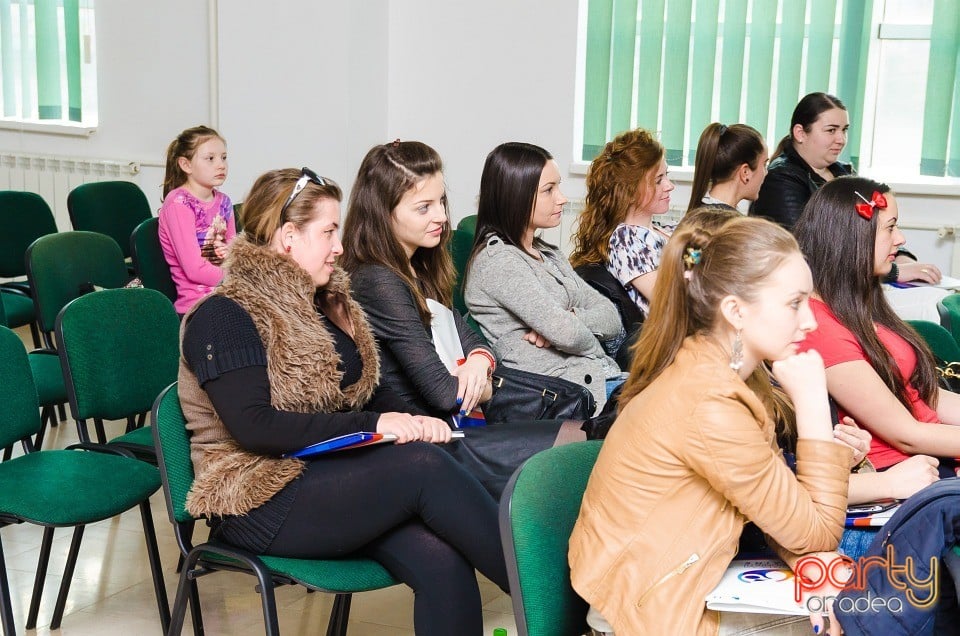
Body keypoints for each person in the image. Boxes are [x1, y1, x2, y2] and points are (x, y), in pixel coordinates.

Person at [177, 167, 509, 636]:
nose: (339, 246)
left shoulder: (321, 302)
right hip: (254, 497)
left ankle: (555, 600)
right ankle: (556, 604)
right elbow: (256, 428)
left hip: (320, 474)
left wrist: (414, 420)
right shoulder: (224, 314)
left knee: (443, 560)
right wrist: (382, 424)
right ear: (288, 237)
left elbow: (358, 393)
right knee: (421, 467)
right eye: (329, 232)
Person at [568, 216, 851, 635]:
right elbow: (820, 532)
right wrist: (812, 402)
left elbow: (779, 510)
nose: (810, 322)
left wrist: (807, 561)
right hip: (650, 615)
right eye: (794, 303)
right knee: (860, 613)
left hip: (666, 592)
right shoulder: (711, 402)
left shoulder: (723, 372)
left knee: (848, 597)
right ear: (735, 310)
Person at [343, 140, 586, 498]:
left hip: (454, 427)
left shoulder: (416, 266)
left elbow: (472, 341)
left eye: (440, 201)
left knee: (585, 436)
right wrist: (481, 383)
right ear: (383, 212)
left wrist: (478, 362)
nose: (441, 216)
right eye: (423, 207)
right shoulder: (379, 280)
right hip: (428, 442)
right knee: (578, 445)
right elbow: (444, 394)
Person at [794, 176, 960, 476]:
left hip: (934, 452)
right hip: (907, 470)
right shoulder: (818, 326)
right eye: (891, 227)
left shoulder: (859, 302)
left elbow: (924, 394)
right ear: (854, 237)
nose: (901, 239)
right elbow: (906, 435)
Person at [464, 142, 624, 409]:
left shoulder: (548, 253)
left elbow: (611, 319)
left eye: (558, 186)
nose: (561, 198)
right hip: (568, 397)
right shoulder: (499, 262)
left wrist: (573, 319)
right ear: (516, 196)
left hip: (598, 378)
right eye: (549, 190)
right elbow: (568, 334)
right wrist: (564, 329)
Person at [750, 92, 939, 286]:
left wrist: (899, 257)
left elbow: (874, 228)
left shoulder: (844, 173)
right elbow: (806, 252)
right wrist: (892, 271)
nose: (841, 139)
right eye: (831, 130)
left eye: (844, 129)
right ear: (800, 133)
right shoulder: (781, 178)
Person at [569, 128, 676, 318]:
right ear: (631, 190)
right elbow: (671, 300)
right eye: (658, 180)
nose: (670, 186)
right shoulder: (627, 240)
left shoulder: (664, 229)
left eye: (666, 175)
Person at [159, 125, 237, 315]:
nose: (221, 165)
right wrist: (238, 278)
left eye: (223, 157)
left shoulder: (224, 202)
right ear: (186, 165)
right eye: (210, 159)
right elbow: (194, 269)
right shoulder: (179, 204)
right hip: (197, 305)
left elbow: (234, 252)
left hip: (229, 293)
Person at [687, 122, 768, 213]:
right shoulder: (734, 226)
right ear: (745, 172)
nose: (766, 173)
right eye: (764, 165)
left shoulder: (697, 216)